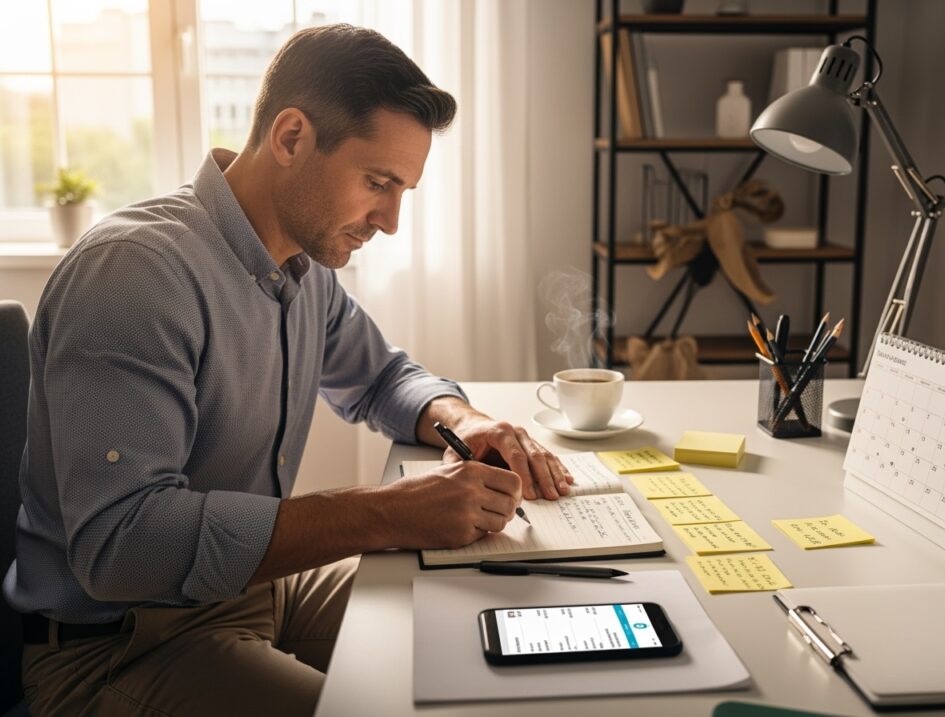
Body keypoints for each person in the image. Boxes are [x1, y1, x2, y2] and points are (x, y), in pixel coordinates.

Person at [4, 24, 572, 716]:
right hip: (114, 650)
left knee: (484, 626)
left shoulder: (301, 267)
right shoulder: (135, 275)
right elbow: (123, 545)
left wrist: (465, 417)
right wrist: (382, 512)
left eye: (403, 191)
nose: (390, 221)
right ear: (292, 137)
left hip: (248, 594)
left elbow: (382, 378)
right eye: (378, 183)